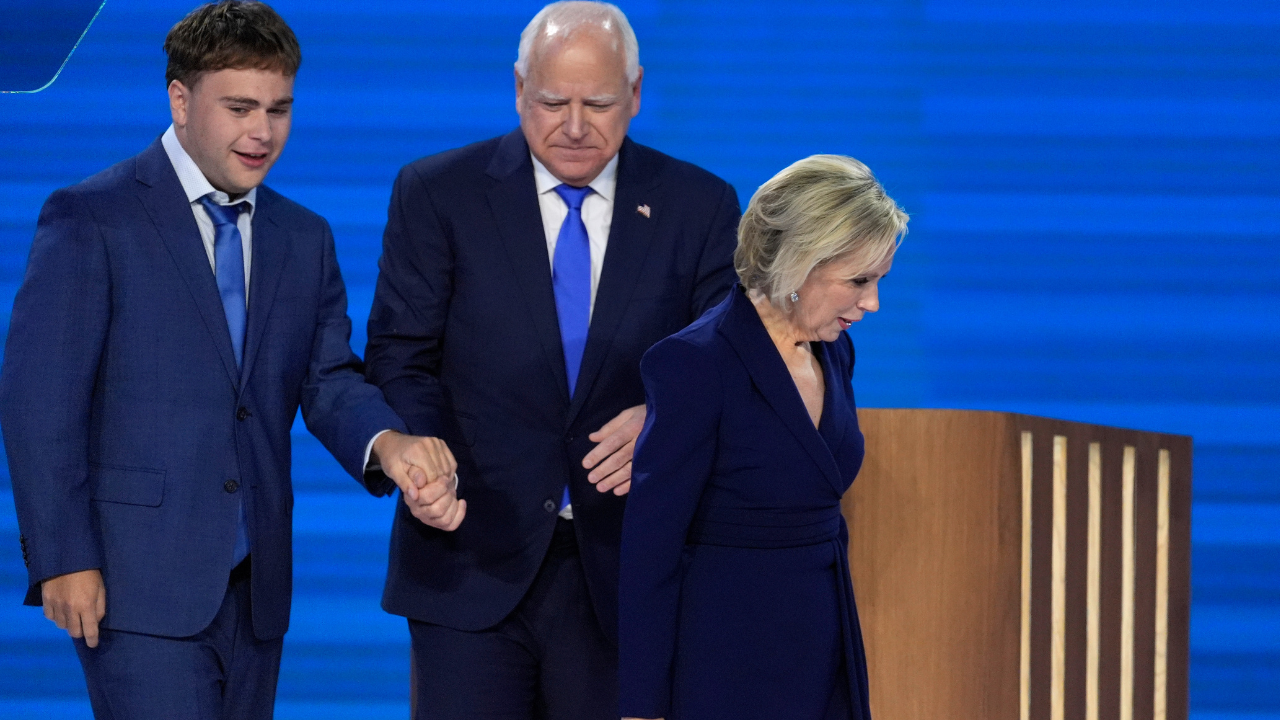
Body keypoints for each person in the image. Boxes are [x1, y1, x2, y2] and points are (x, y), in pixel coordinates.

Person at [0, 2, 464, 717]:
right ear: (180, 101)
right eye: (239, 107)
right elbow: (40, 403)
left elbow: (329, 380)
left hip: (257, 592)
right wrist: (63, 556)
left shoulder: (302, 237)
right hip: (134, 586)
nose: (262, 132)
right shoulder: (92, 216)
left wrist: (390, 443)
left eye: (279, 109)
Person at [362, 2, 740, 717]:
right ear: (517, 89)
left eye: (597, 103)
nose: (573, 125)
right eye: (551, 101)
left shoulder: (699, 205)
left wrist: (666, 418)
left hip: (626, 569)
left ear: (634, 93)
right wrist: (423, 458)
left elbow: (727, 365)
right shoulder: (438, 193)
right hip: (467, 556)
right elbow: (400, 356)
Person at [617, 154, 909, 720]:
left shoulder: (834, 348)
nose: (872, 303)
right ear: (800, 265)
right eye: (859, 281)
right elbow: (651, 550)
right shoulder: (696, 363)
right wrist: (641, 707)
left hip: (823, 647)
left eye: (879, 281)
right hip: (726, 661)